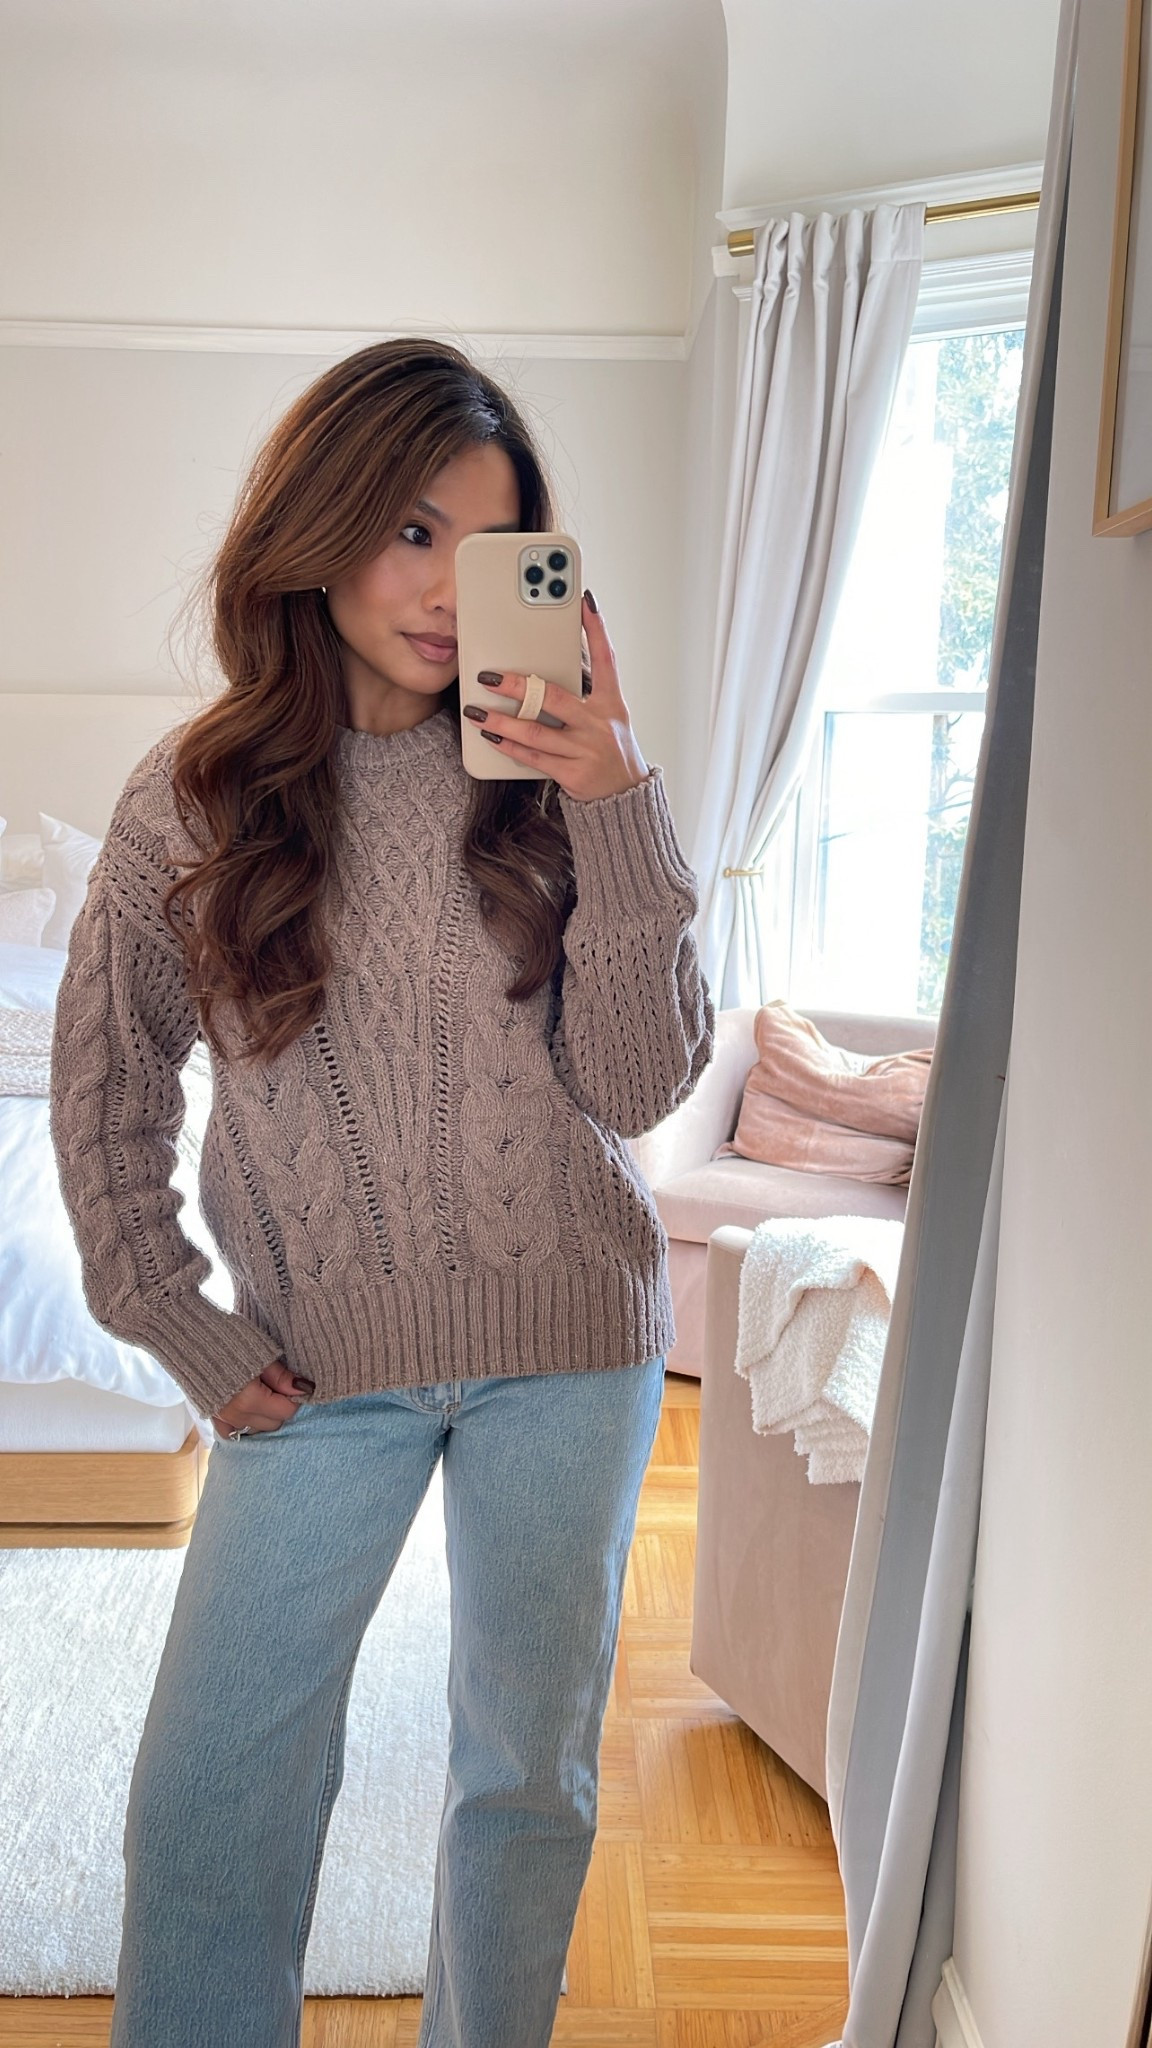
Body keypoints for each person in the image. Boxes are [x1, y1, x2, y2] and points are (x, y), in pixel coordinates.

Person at [48, 336, 714, 2048]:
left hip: (571, 1347)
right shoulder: (191, 800)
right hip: (310, 1368)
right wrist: (172, 1316)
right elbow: (112, 1084)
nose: (443, 590)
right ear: (320, 524)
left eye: (489, 549)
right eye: (412, 531)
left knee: (525, 1780)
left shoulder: (561, 784)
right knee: (212, 1794)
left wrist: (617, 799)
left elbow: (638, 1088)